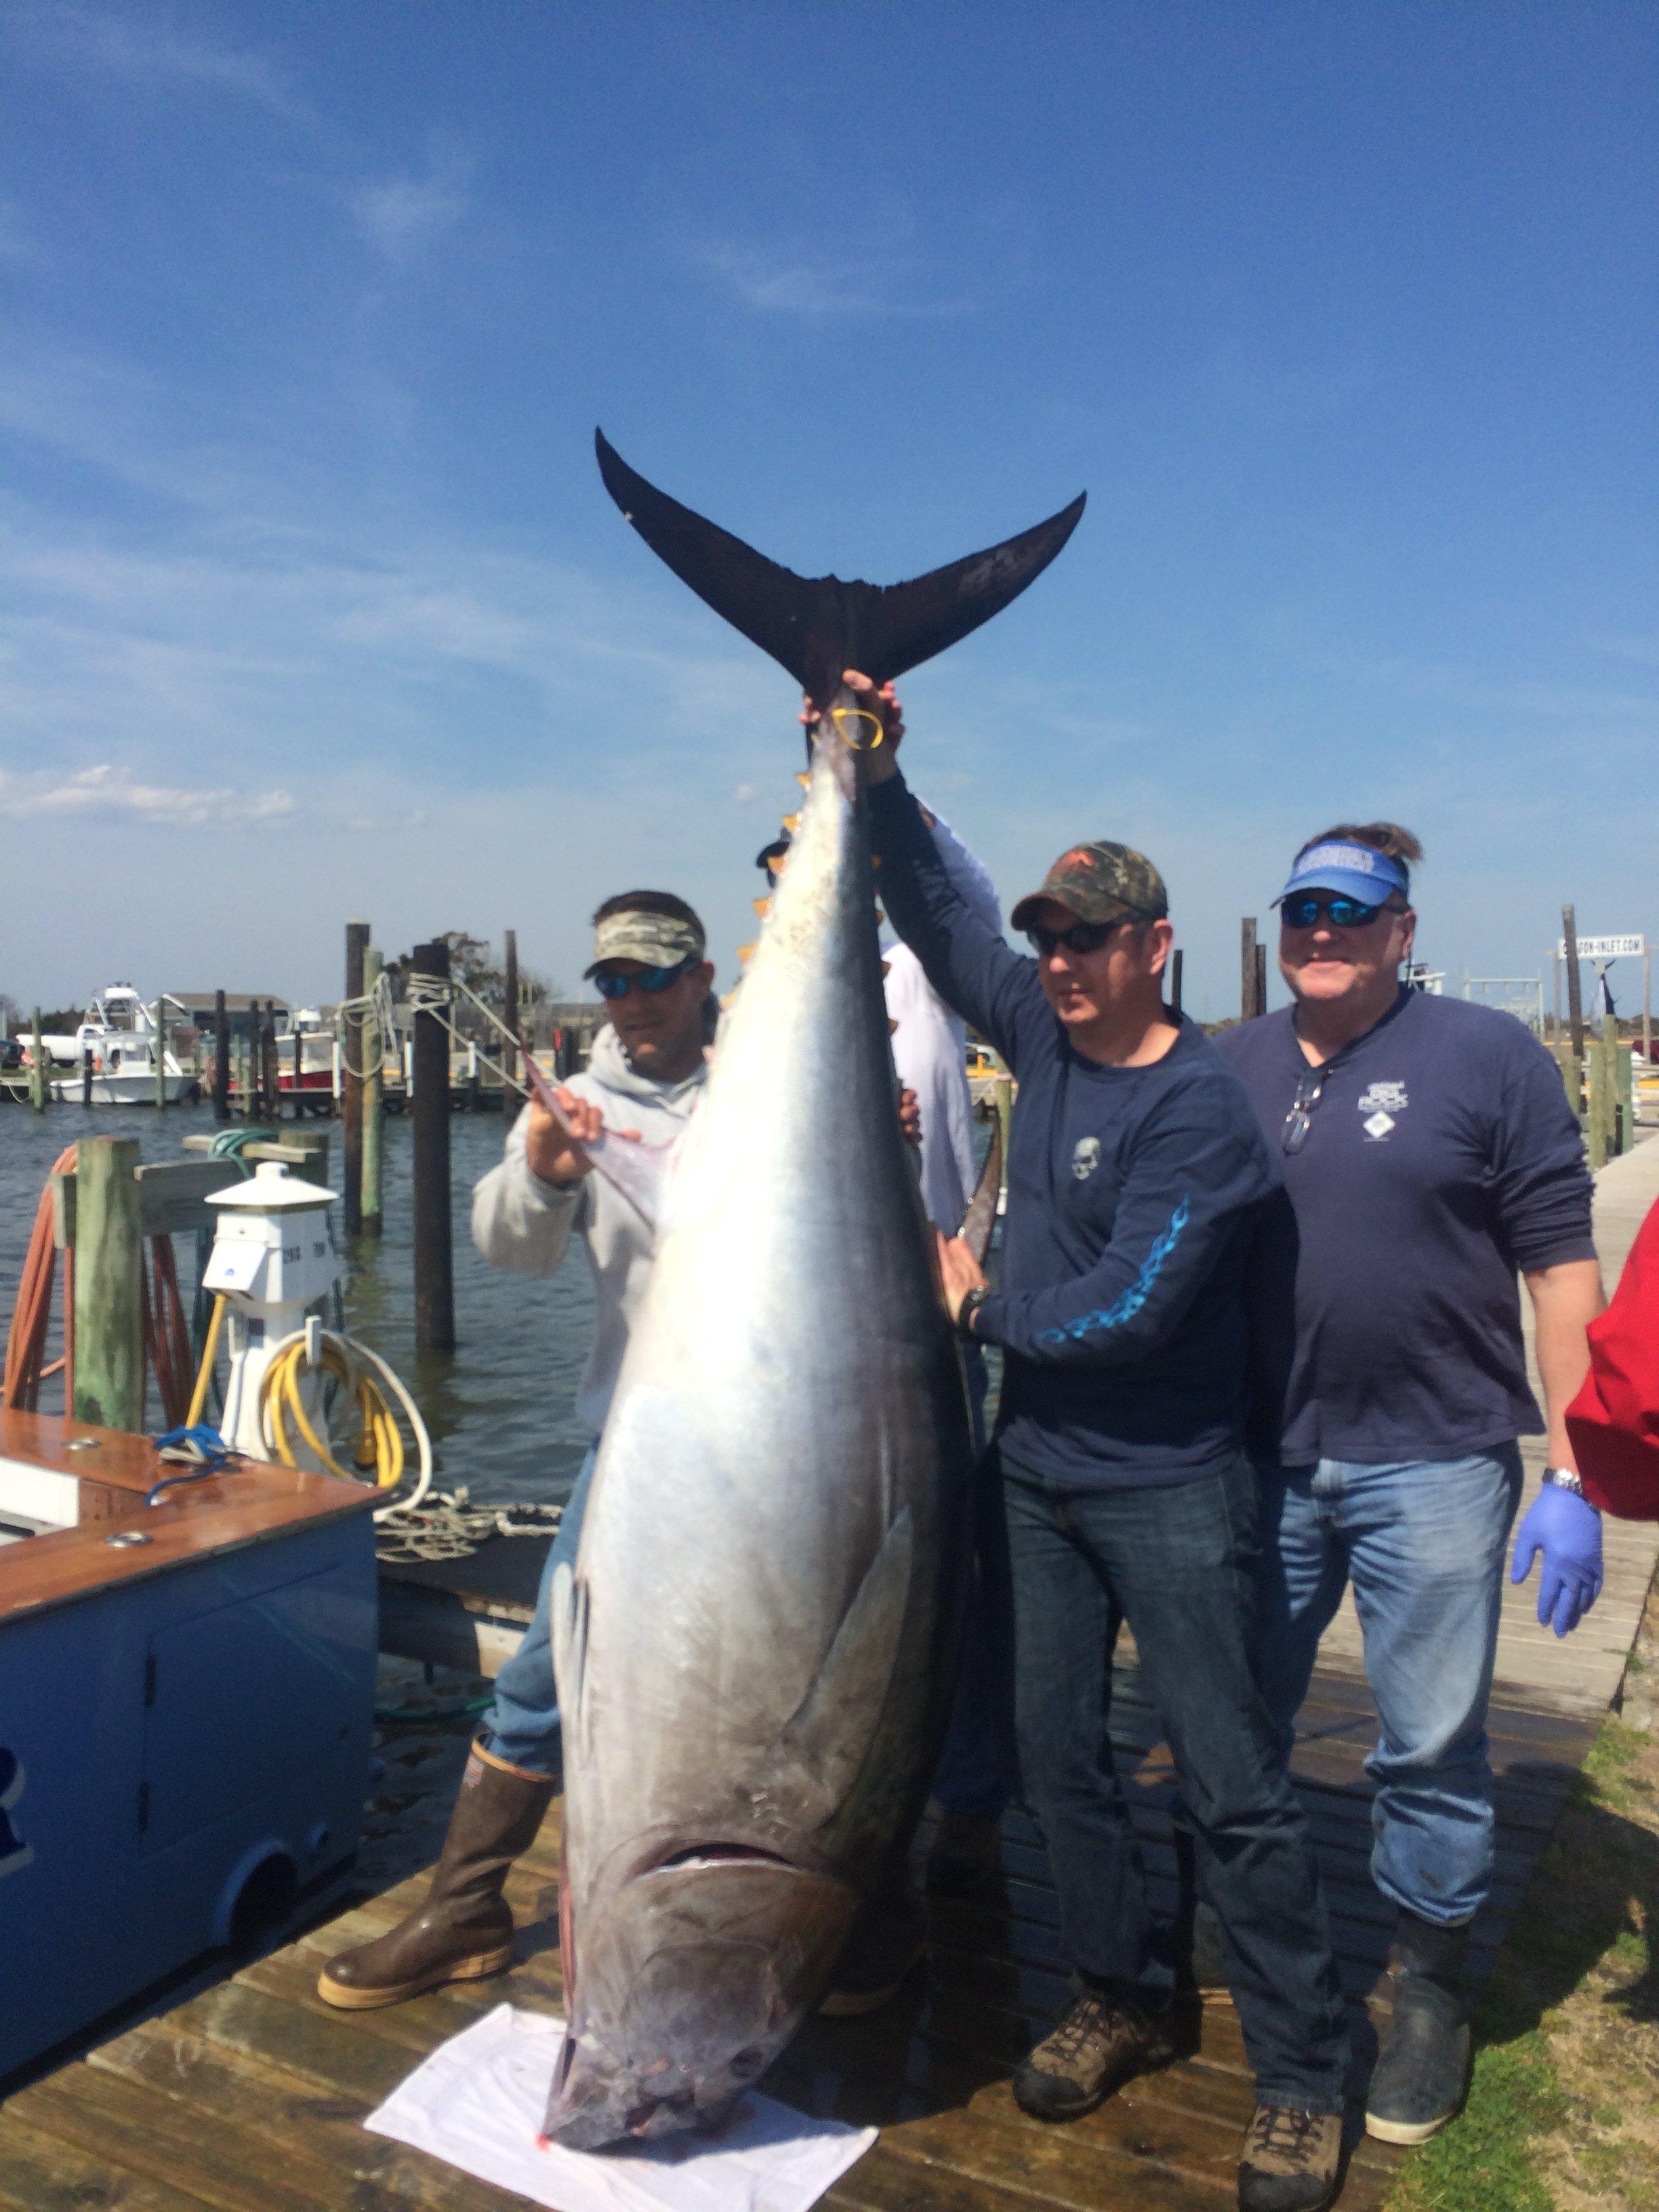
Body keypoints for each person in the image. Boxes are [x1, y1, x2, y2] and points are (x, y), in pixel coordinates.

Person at [844, 674, 1349, 2212]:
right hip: (1040, 1481)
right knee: (1061, 1763)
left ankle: (1304, 2080)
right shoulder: (1041, 1029)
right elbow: (945, 923)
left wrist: (974, 1303)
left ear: (1159, 947)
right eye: (1052, 940)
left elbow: (1130, 1310)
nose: (1059, 963)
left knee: (1232, 1784)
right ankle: (1125, 1994)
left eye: (1091, 939)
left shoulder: (1205, 1112)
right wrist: (873, 774)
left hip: (1180, 1492)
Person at [1214, 825, 1605, 2146]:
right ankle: (1255, 1927)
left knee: (1431, 1743)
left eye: (1350, 909)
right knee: (1237, 1714)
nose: (1321, 930)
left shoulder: (1489, 1058)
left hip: (1437, 1456)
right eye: (1301, 911)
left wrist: (1579, 1469)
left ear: (1402, 929)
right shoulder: (1231, 1060)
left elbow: (1561, 1266)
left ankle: (1427, 1986)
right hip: (1261, 1459)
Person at [319, 892, 717, 2011]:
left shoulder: (772, 1094)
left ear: (701, 980)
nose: (630, 1001)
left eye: (651, 977)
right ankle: (466, 1906)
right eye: (612, 981)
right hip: (635, 1448)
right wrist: (543, 1167)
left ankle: (817, 1905)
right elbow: (508, 1248)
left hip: (767, 1456)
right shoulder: (575, 1103)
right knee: (545, 1670)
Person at [760, 814, 1013, 1897]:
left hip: (930, 1321)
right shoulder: (758, 1022)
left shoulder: (924, 976)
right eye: (786, 879)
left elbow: (978, 898)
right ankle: (818, 1793)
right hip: (810, 1346)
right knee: (819, 1579)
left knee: (948, 1569)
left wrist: (874, 780)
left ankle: (962, 1798)